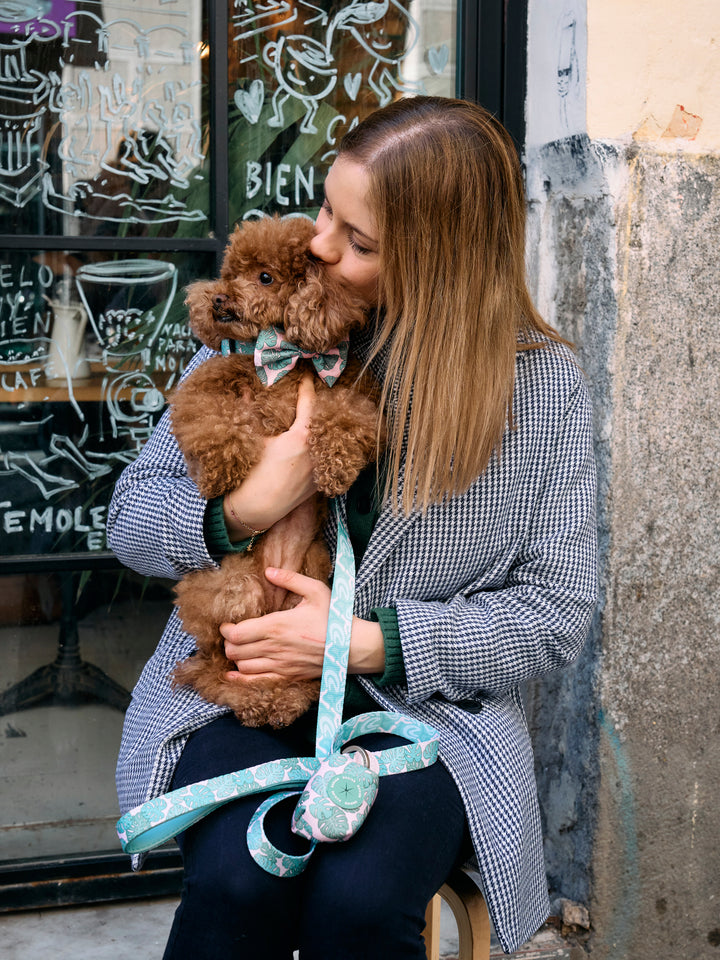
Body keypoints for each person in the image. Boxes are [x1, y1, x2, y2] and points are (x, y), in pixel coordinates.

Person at [108, 96, 598, 958]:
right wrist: (245, 508)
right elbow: (131, 521)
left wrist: (362, 643)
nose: (321, 244)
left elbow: (556, 611)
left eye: (360, 241)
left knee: (360, 907)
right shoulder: (257, 331)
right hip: (239, 686)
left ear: (440, 263)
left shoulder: (541, 390)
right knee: (236, 881)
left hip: (432, 714)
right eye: (327, 207)